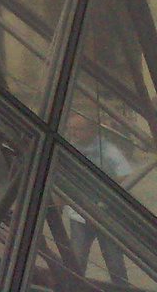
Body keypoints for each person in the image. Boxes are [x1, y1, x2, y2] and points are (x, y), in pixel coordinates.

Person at [66, 112, 131, 283]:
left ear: (92, 129)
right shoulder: (68, 149)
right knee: (77, 261)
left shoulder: (108, 149)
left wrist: (105, 191)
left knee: (114, 262)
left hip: (105, 215)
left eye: (78, 129)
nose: (73, 133)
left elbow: (125, 173)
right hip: (79, 216)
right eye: (71, 129)